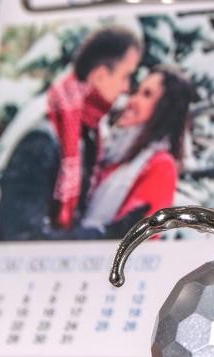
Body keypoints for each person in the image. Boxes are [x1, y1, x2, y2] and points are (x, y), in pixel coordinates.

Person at [0, 26, 142, 241]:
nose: (127, 88)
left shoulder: (88, 133)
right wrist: (106, 235)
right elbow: (21, 236)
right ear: (100, 76)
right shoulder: (42, 140)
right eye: (125, 76)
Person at [80, 65, 194, 232]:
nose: (132, 100)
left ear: (165, 110)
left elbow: (137, 236)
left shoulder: (161, 166)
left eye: (146, 95)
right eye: (136, 92)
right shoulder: (114, 152)